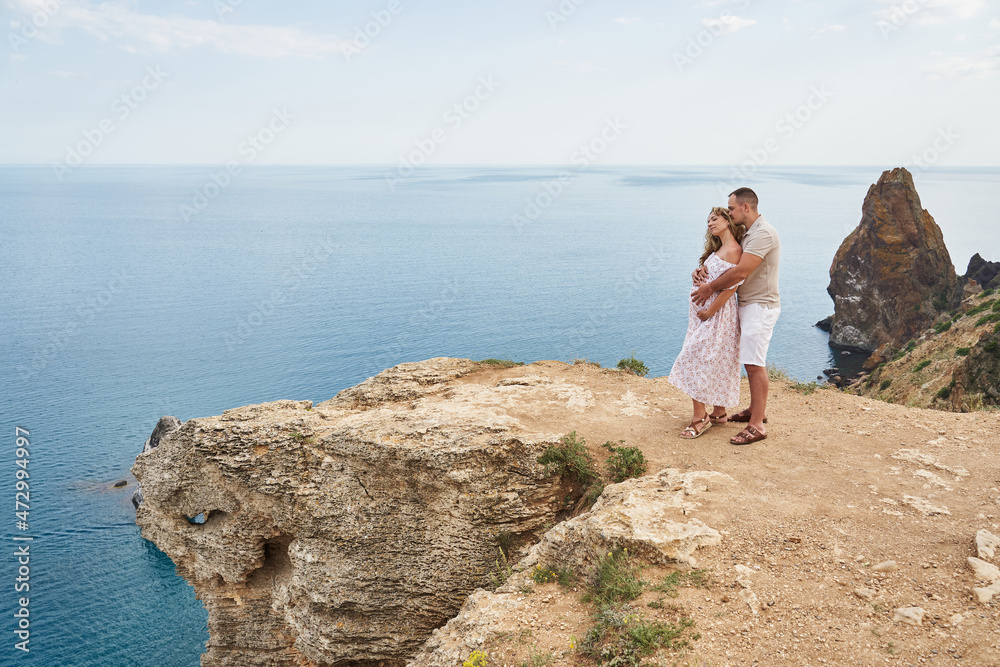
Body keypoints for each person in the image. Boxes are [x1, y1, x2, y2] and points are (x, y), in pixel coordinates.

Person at [691, 187, 781, 445]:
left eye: (731, 208)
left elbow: (741, 272)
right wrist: (700, 271)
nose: (728, 213)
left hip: (760, 306)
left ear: (745, 207)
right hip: (749, 304)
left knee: (754, 364)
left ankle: (757, 426)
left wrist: (709, 287)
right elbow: (724, 262)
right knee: (750, 362)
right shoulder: (751, 233)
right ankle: (755, 411)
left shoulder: (763, 233)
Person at [668, 207, 745, 439]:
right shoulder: (720, 249)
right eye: (708, 221)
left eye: (714, 219)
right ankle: (719, 413)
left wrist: (710, 311)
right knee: (716, 359)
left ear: (728, 221)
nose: (710, 223)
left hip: (717, 314)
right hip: (710, 315)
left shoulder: (733, 250)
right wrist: (698, 272)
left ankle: (699, 417)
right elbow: (712, 275)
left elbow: (732, 286)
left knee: (694, 357)